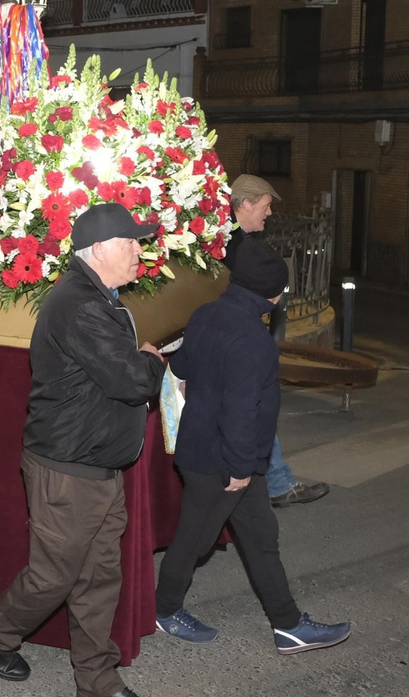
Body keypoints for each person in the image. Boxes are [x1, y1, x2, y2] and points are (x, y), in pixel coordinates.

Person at [0, 203, 163, 697]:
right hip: (68, 469)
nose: (141, 250)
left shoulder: (99, 295)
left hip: (96, 464)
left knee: (99, 576)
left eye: (140, 240)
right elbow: (132, 380)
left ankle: (96, 679)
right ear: (98, 250)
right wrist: (151, 360)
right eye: (131, 242)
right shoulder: (82, 304)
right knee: (53, 577)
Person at [155, 237, 352, 655]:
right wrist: (242, 468)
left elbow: (182, 367)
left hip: (220, 454)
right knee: (194, 539)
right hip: (224, 463)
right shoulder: (254, 341)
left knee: (262, 536)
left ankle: (289, 625)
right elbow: (241, 412)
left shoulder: (207, 314)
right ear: (274, 294)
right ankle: (164, 609)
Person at [225, 173, 330, 509]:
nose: (269, 214)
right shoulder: (234, 245)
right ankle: (272, 483)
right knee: (256, 405)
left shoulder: (231, 239)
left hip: (233, 336)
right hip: (236, 338)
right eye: (265, 206)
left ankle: (274, 481)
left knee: (253, 406)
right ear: (244, 204)